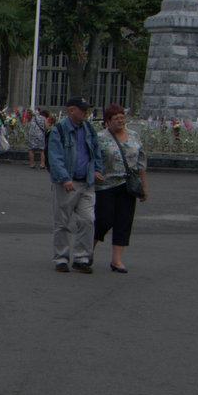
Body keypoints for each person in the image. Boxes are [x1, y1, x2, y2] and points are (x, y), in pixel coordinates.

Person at [48, 96, 102, 273]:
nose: (86, 112)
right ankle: (61, 258)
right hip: (66, 183)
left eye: (87, 109)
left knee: (88, 220)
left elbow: (96, 152)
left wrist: (97, 170)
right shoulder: (59, 130)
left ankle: (82, 257)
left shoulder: (89, 129)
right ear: (72, 110)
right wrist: (65, 178)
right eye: (82, 109)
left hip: (86, 182)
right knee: (62, 222)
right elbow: (55, 157)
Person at [94, 104, 148, 273]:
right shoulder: (100, 137)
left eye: (122, 118)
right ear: (108, 121)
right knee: (103, 220)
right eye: (116, 118)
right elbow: (92, 159)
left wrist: (144, 187)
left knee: (124, 222)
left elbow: (141, 163)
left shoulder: (134, 136)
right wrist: (94, 172)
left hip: (128, 185)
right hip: (106, 185)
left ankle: (117, 260)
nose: (120, 121)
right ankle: (88, 250)